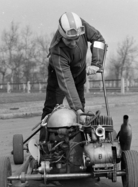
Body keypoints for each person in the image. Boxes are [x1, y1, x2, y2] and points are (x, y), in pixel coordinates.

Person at [40, 12, 106, 141]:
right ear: (62, 35)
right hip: (59, 75)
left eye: (76, 39)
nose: (74, 43)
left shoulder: (81, 26)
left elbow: (98, 39)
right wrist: (78, 110)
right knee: (51, 108)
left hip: (79, 70)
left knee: (80, 104)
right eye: (69, 40)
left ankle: (80, 140)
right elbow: (67, 82)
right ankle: (44, 143)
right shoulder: (57, 51)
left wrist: (96, 63)